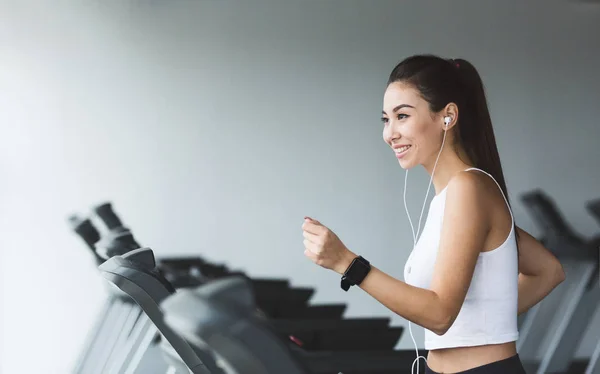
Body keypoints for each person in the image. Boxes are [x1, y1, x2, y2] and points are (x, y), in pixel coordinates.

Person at [301, 54, 566, 374]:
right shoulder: (454, 195)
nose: (390, 133)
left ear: (448, 116)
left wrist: (347, 263)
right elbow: (548, 270)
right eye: (386, 119)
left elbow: (440, 314)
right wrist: (485, 322)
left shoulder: (470, 189)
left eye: (402, 116)